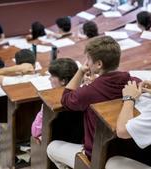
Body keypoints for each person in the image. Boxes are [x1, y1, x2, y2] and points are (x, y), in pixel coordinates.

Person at [46, 36, 141, 169]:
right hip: (125, 150)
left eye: (89, 59)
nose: (87, 63)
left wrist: (80, 71)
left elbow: (66, 99)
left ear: (99, 64)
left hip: (96, 154)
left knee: (51, 147)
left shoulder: (88, 92)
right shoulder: (132, 82)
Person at [0, 49, 37, 150]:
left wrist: (18, 68)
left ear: (18, 66)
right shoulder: (43, 79)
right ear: (34, 64)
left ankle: (10, 155)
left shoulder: (12, 82)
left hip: (17, 131)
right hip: (38, 128)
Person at [31, 58, 79, 140]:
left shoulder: (50, 103)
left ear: (63, 81)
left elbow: (35, 133)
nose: (49, 79)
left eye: (52, 76)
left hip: (58, 140)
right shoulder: (82, 94)